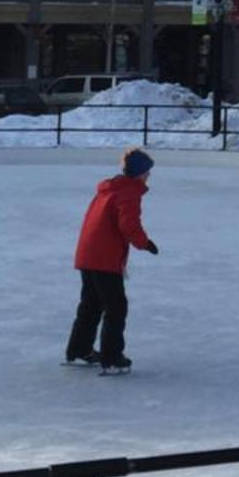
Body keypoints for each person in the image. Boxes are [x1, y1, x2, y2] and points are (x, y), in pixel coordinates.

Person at [64, 147, 159, 373]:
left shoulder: (109, 189)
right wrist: (145, 243)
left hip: (88, 254)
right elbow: (128, 225)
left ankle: (79, 349)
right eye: (147, 171)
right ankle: (112, 356)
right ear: (139, 173)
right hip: (104, 258)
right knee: (116, 307)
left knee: (91, 304)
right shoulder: (129, 192)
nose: (149, 176)